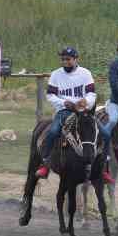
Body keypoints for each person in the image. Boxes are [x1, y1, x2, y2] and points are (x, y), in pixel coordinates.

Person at [34, 47, 97, 179]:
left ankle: (103, 167)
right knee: (53, 131)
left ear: (75, 59)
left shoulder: (85, 73)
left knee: (104, 132)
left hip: (83, 111)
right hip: (64, 111)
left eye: (68, 59)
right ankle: (45, 163)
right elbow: (50, 95)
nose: (65, 62)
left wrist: (86, 101)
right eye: (63, 59)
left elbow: (92, 93)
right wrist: (64, 103)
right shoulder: (56, 74)